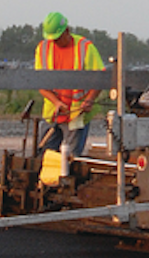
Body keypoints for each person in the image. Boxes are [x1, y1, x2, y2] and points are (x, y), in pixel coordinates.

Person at [34, 12, 104, 163]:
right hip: (52, 113)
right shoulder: (43, 48)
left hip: (76, 114)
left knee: (70, 160)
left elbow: (99, 78)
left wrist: (90, 99)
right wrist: (56, 102)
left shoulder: (85, 47)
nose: (55, 42)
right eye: (52, 39)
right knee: (44, 157)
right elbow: (40, 82)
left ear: (67, 31)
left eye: (57, 38)